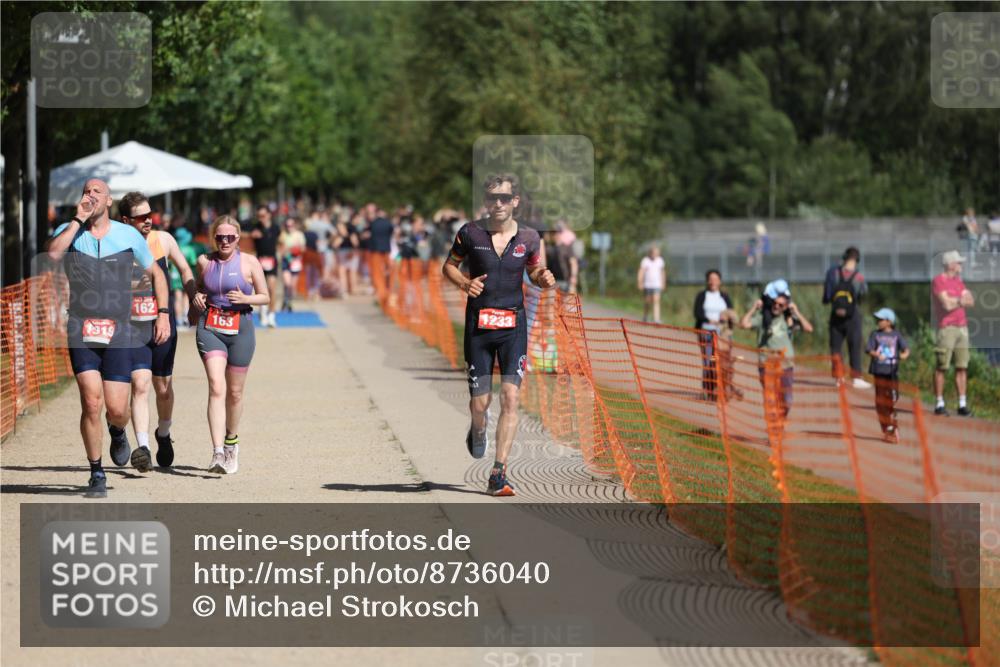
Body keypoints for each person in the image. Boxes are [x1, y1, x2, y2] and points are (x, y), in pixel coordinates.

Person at [46, 179, 171, 498]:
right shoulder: (71, 230)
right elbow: (53, 255)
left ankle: (117, 430)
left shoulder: (128, 234)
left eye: (96, 192)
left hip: (120, 329)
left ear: (109, 201)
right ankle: (96, 471)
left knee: (117, 409)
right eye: (86, 192)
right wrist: (76, 220)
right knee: (91, 400)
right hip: (81, 326)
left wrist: (164, 312)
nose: (90, 196)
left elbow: (155, 273)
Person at [442, 174, 555, 496]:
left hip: (513, 327)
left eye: (505, 198)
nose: (499, 203)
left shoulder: (530, 237)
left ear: (515, 201)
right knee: (480, 403)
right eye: (493, 198)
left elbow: (535, 271)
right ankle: (478, 430)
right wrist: (464, 283)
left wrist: (542, 278)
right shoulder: (470, 232)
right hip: (479, 326)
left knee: (510, 397)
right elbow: (448, 266)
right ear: (486, 201)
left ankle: (498, 472)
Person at [119, 192, 198, 471]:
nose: (148, 221)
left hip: (163, 323)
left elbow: (185, 269)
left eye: (150, 215)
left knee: (162, 389)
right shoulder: (116, 243)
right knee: (139, 385)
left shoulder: (163, 240)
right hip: (132, 326)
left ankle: (163, 433)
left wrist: (193, 298)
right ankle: (143, 449)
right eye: (142, 217)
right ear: (126, 220)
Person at [192, 216, 270, 473]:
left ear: (238, 238)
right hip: (211, 327)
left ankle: (230, 443)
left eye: (230, 237)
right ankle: (216, 453)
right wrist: (198, 297)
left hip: (241, 328)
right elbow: (198, 288)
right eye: (220, 237)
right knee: (216, 386)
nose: (224, 241)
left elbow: (265, 296)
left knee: (234, 393)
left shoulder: (249, 262)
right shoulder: (204, 261)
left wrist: (246, 297)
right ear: (213, 237)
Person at [741, 289, 814, 419]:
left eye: (781, 305)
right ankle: (773, 429)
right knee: (771, 399)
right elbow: (743, 324)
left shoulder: (788, 319)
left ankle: (779, 422)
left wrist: (796, 311)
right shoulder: (762, 317)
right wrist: (754, 308)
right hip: (766, 364)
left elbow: (809, 328)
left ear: (785, 306)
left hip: (786, 365)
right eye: (775, 303)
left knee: (787, 401)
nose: (776, 306)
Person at [931, 250, 975, 416]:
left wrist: (955, 300)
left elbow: (970, 301)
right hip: (947, 328)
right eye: (959, 263)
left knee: (962, 366)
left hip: (962, 328)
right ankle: (939, 403)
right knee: (942, 366)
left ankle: (962, 404)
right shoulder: (938, 281)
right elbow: (946, 305)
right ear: (950, 264)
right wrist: (959, 301)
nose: (961, 265)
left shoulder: (958, 282)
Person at [822, 247, 871, 389]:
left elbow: (827, 296)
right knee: (855, 345)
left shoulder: (833, 273)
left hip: (835, 314)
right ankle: (856, 377)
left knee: (836, 346)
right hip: (853, 315)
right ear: (857, 260)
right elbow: (863, 294)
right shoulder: (859, 276)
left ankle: (839, 377)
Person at [866, 308, 910, 443]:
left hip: (892, 372)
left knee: (891, 399)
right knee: (880, 401)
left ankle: (892, 425)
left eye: (881, 320)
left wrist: (902, 356)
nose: (878, 322)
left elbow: (906, 350)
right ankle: (886, 428)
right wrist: (877, 354)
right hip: (879, 372)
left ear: (889, 322)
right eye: (877, 319)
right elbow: (868, 349)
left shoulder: (896, 335)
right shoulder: (875, 335)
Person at [694, 269, 736, 401]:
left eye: (715, 279)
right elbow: (698, 313)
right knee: (709, 361)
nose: (713, 282)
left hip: (722, 335)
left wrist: (728, 320)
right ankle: (707, 389)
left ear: (720, 281)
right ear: (707, 281)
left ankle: (722, 389)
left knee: (722, 362)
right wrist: (710, 321)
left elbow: (731, 312)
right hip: (706, 333)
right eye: (710, 279)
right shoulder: (702, 296)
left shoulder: (724, 296)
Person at [249, 205, 281, 327]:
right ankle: (263, 312)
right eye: (259, 216)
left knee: (272, 288)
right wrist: (252, 235)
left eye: (262, 216)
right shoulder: (256, 228)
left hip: (271, 261)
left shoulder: (276, 228)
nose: (260, 218)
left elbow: (280, 241)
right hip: (259, 262)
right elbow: (246, 238)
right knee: (261, 290)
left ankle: (272, 315)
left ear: (268, 215)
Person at [638, 246, 666, 323]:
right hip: (647, 285)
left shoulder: (660, 261)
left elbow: (662, 272)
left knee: (656, 300)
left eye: (656, 253)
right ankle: (645, 316)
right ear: (650, 253)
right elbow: (641, 271)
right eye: (654, 253)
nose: (655, 254)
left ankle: (656, 319)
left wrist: (663, 282)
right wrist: (640, 282)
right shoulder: (645, 260)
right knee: (648, 301)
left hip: (657, 285)